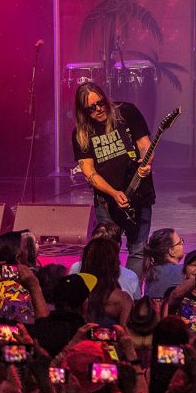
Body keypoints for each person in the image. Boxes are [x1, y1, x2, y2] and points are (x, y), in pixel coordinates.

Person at [71, 82, 155, 276]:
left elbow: (145, 145)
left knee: (138, 251)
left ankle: (131, 292)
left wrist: (145, 162)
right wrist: (113, 193)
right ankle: (108, 290)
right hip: (107, 203)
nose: (99, 109)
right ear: (83, 112)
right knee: (106, 252)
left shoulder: (127, 112)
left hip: (139, 194)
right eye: (92, 108)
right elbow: (89, 172)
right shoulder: (81, 134)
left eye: (101, 103)